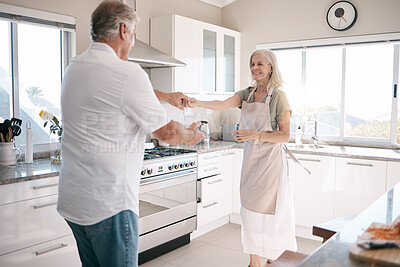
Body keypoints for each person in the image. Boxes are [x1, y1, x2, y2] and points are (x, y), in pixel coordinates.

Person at [57, 1, 202, 267]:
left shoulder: (74, 67)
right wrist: (192, 136)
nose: (133, 42)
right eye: (134, 35)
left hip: (74, 202)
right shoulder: (128, 72)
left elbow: (113, 93)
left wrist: (166, 96)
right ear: (124, 30)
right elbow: (168, 133)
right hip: (109, 206)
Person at [187, 49, 297, 267]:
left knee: (270, 216)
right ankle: (254, 263)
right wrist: (197, 102)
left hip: (270, 164)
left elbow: (285, 135)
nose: (255, 68)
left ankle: (273, 260)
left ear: (271, 68)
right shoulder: (247, 94)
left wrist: (254, 134)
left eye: (260, 64)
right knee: (248, 213)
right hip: (251, 161)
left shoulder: (278, 97)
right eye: (252, 64)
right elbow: (224, 104)